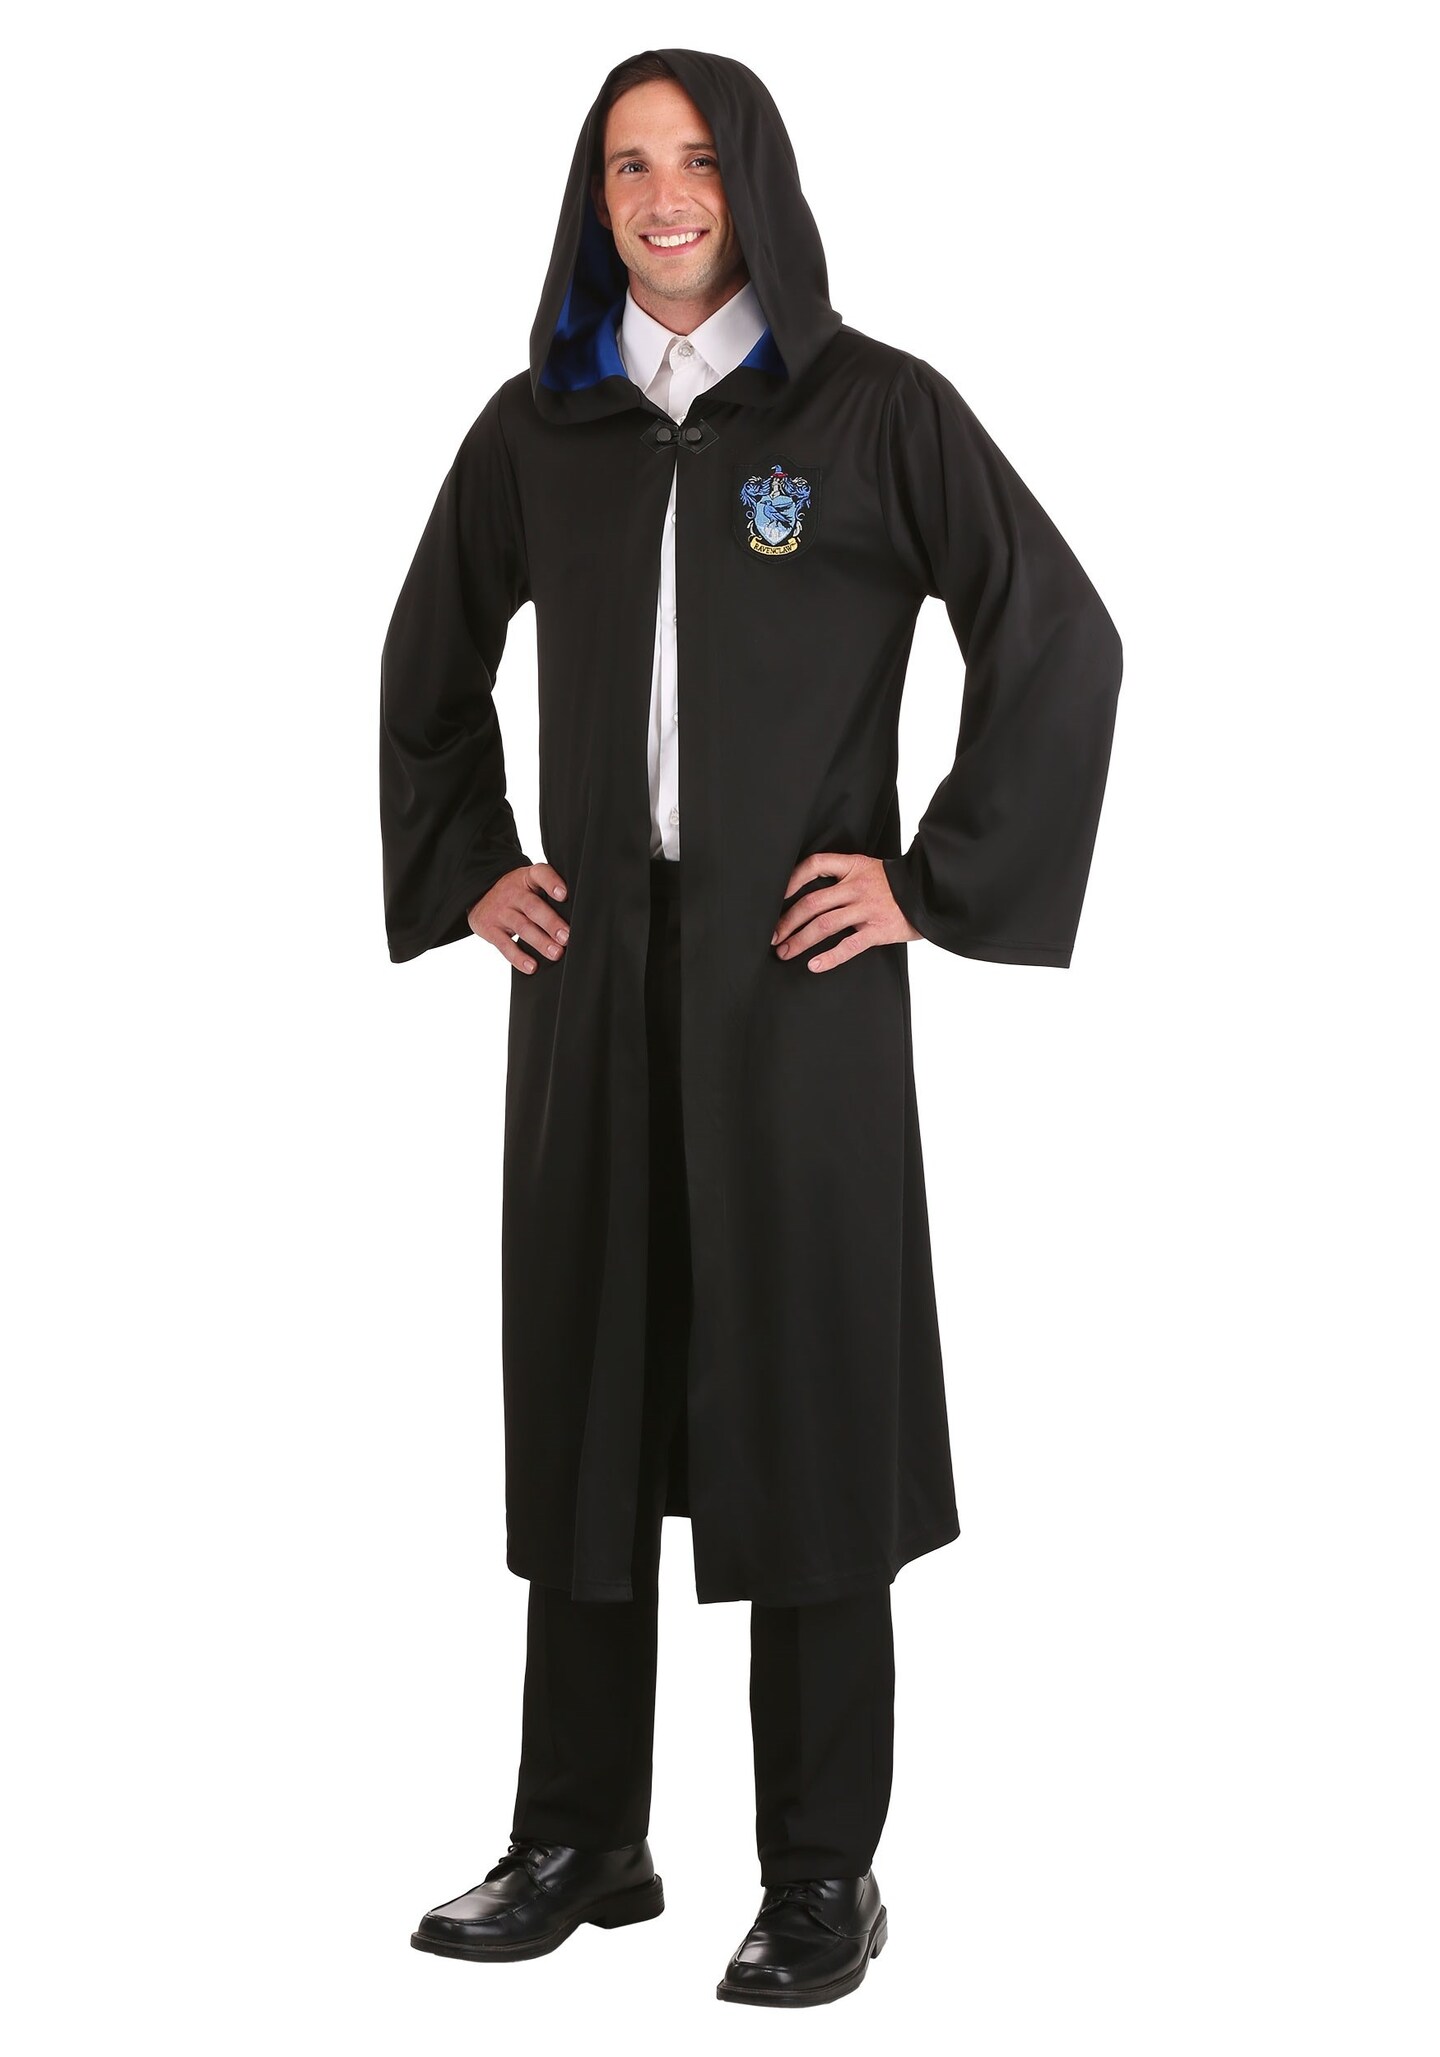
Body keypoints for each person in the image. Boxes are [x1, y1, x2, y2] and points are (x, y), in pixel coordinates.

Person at [380, 46, 1122, 2007]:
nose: (663, 197)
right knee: (589, 1393)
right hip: (593, 977)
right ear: (594, 199)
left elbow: (1056, 630)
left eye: (696, 159)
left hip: (799, 986)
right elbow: (429, 659)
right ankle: (578, 1835)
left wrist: (931, 881)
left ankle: (819, 1874)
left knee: (807, 1404)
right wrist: (476, 863)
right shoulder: (543, 428)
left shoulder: (872, 412)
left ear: (756, 182)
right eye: (627, 165)